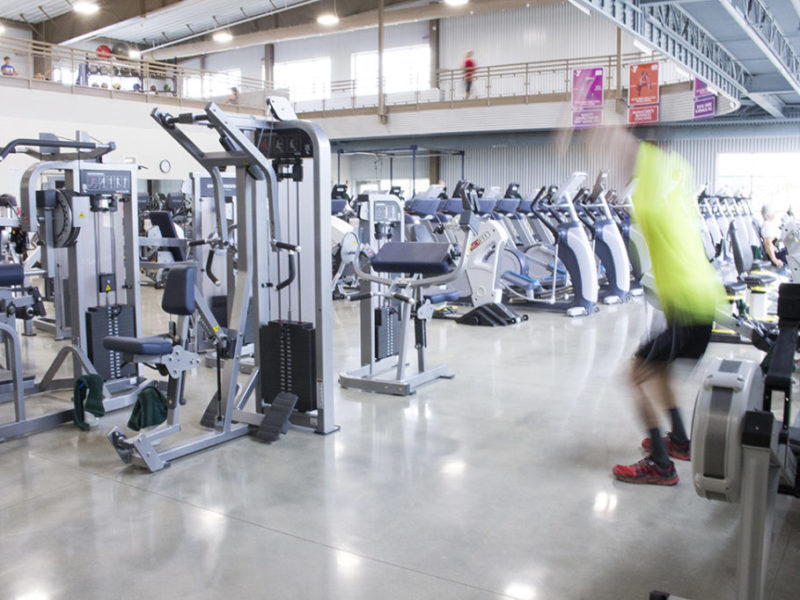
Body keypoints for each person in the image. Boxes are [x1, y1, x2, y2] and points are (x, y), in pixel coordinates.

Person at [606, 131, 727, 486]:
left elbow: (623, 147)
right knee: (659, 372)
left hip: (688, 309)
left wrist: (585, 124)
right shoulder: (678, 180)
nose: (620, 164)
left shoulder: (649, 198)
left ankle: (660, 464)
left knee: (634, 375)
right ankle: (680, 441)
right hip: (700, 304)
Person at [761, 202, 787, 269]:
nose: (775, 214)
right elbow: (768, 243)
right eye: (773, 212)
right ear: (769, 214)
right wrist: (774, 259)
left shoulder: (769, 224)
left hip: (782, 251)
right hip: (780, 254)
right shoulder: (767, 225)